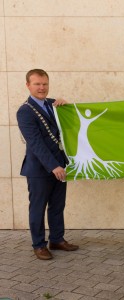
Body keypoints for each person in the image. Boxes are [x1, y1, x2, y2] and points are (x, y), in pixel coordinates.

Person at [17, 69, 79, 260]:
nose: (42, 88)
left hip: (60, 165)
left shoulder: (53, 104)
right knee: (38, 207)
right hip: (40, 169)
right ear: (28, 85)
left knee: (57, 206)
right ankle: (39, 245)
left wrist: (65, 107)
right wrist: (54, 166)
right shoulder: (25, 111)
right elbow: (36, 143)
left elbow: (68, 128)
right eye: (37, 84)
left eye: (44, 83)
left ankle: (57, 240)